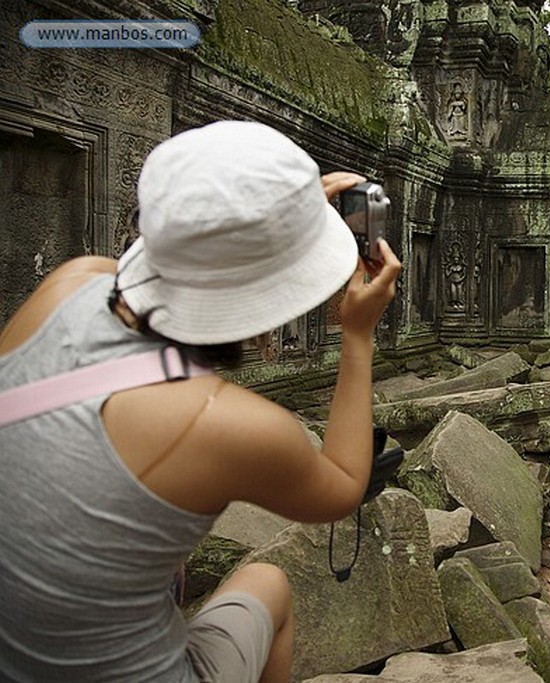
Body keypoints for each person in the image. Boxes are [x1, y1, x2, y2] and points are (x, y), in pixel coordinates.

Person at [0, 121, 402, 682]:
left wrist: (268, 218)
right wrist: (357, 335)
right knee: (270, 586)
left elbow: (177, 254)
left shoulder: (71, 282)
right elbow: (342, 486)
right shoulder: (220, 423)